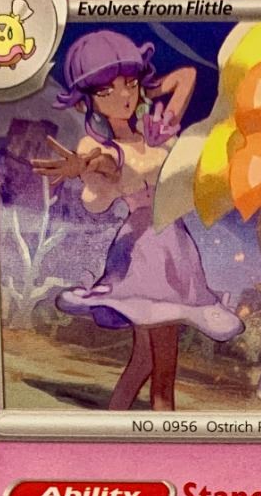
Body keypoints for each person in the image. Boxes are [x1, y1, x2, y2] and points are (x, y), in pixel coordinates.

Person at [34, 31, 240, 409]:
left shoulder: (154, 132)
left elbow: (187, 76)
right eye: (106, 91)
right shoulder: (101, 148)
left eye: (128, 84)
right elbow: (109, 167)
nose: (123, 96)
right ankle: (165, 430)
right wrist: (87, 166)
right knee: (164, 365)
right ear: (88, 100)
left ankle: (115, 422)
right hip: (145, 252)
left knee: (145, 359)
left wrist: (144, 84)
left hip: (174, 248)